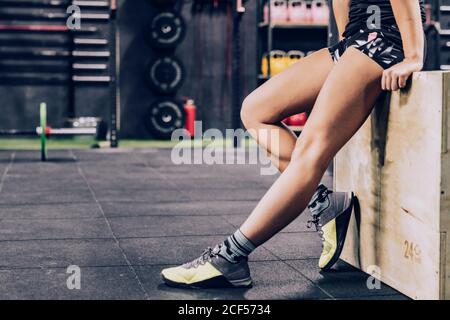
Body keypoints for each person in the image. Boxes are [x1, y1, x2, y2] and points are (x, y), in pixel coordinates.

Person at [161, 0, 426, 289]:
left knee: (309, 154)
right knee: (255, 111)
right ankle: (324, 204)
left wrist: (413, 55)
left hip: (383, 40)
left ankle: (231, 256)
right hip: (355, 40)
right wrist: (343, 55)